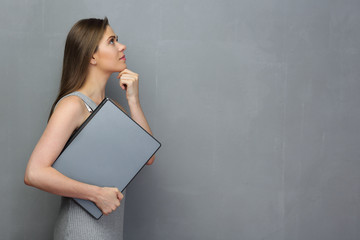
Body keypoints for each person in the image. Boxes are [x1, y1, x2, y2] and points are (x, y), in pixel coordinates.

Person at [24, 17, 155, 239]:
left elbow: (147, 156)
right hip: (80, 230)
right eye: (112, 41)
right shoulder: (73, 105)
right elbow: (34, 173)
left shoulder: (113, 109)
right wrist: (96, 194)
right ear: (92, 56)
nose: (122, 46)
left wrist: (133, 101)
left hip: (110, 231)